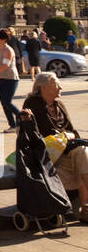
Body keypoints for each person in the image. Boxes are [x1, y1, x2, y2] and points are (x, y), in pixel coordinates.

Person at [23, 72, 88, 221]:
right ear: (44, 87)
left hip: (66, 151)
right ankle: (85, 208)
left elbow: (72, 131)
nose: (60, 88)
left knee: (82, 152)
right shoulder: (32, 104)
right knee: (82, 157)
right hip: (47, 156)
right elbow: (31, 134)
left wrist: (68, 135)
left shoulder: (59, 105)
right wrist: (60, 137)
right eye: (56, 85)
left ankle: (85, 207)